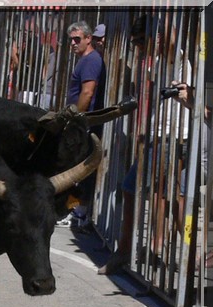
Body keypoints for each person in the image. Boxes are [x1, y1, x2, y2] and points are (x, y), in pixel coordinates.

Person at [98, 15, 197, 274]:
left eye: (141, 42)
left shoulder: (177, 58)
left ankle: (185, 250)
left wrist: (159, 23)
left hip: (171, 137)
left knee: (169, 197)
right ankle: (159, 248)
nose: (139, 48)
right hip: (159, 136)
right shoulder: (161, 60)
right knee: (154, 193)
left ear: (156, 38)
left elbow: (171, 34)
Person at [56, 21, 106, 229]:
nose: (74, 43)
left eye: (78, 39)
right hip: (82, 122)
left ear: (88, 38)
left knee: (81, 170)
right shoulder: (85, 60)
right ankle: (75, 210)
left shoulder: (91, 61)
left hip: (84, 123)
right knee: (77, 169)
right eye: (71, 40)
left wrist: (76, 118)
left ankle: (79, 212)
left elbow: (87, 92)